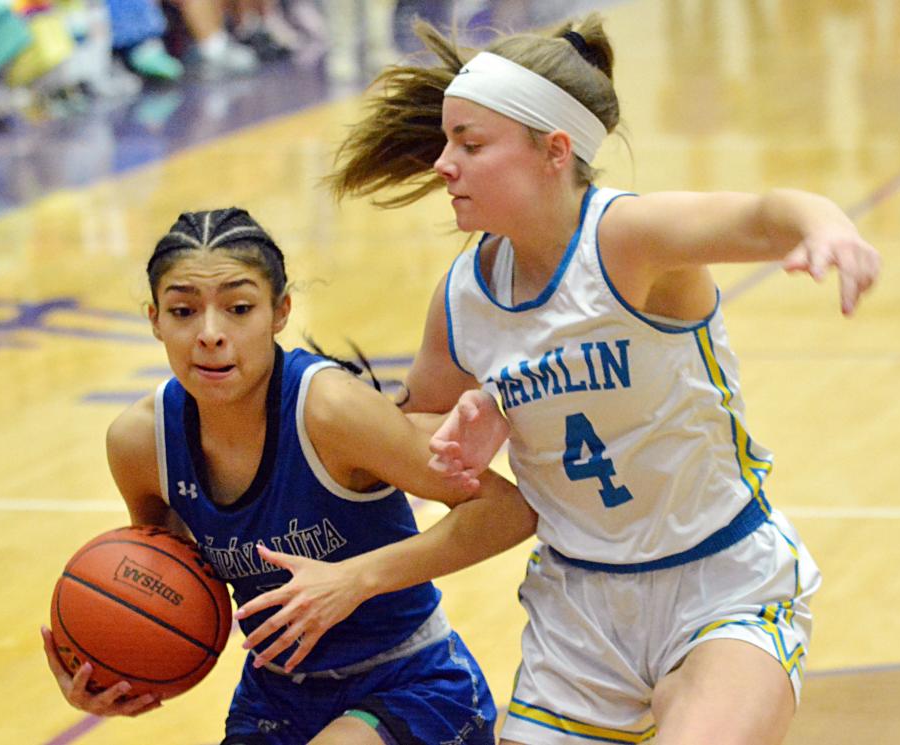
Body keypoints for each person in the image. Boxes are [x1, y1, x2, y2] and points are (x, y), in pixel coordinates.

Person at [326, 13, 881, 745]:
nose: (442, 164)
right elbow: (418, 435)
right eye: (445, 141)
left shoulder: (626, 241)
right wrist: (466, 416)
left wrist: (822, 225)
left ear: (554, 151)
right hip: (579, 609)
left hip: (720, 584)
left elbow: (759, 214)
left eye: (470, 143)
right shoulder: (463, 297)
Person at [40, 207, 537, 745]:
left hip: (410, 680)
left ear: (280, 312)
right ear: (154, 319)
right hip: (274, 694)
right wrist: (111, 664)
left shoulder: (328, 410)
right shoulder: (140, 444)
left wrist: (354, 580)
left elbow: (506, 509)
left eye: (238, 308)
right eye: (183, 311)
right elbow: (167, 578)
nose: (209, 334)